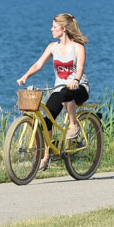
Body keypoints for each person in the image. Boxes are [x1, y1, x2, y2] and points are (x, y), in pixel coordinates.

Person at [17, 13, 90, 171]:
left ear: (63, 29)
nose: (51, 29)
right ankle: (47, 155)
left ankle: (73, 125)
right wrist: (25, 76)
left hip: (79, 88)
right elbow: (38, 64)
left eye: (54, 27)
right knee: (46, 121)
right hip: (59, 89)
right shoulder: (53, 47)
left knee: (66, 93)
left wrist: (76, 80)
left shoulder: (78, 47)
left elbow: (81, 68)